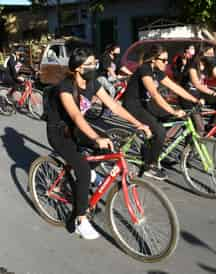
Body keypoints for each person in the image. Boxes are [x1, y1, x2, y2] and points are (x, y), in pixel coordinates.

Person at [46, 47, 152, 240]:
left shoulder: (92, 82)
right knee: (84, 170)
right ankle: (80, 219)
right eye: (90, 64)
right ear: (78, 68)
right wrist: (95, 138)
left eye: (95, 63)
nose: (95, 67)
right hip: (60, 133)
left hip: (78, 129)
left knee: (107, 145)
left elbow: (114, 106)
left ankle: (89, 171)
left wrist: (139, 124)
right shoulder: (65, 88)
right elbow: (77, 116)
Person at [122, 44, 202, 181]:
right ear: (154, 59)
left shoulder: (158, 71)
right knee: (160, 131)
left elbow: (175, 87)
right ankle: (150, 166)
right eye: (164, 60)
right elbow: (154, 94)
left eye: (167, 60)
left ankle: (155, 149)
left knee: (172, 120)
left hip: (146, 102)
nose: (167, 63)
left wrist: (194, 99)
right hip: (134, 104)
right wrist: (173, 110)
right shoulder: (145, 69)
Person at [179, 45, 216, 134]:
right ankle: (191, 146)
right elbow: (197, 84)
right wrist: (215, 94)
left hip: (199, 93)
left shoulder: (209, 65)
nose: (212, 56)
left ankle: (211, 126)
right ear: (202, 54)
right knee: (199, 128)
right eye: (210, 54)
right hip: (187, 96)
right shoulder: (192, 65)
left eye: (213, 54)